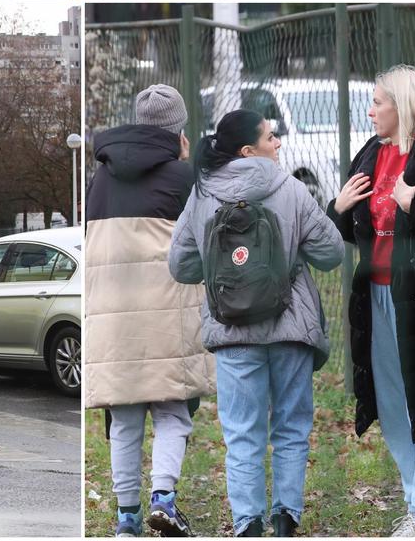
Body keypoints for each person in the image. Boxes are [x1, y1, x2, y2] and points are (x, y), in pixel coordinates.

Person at [168, 110, 343, 538]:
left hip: (232, 331)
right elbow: (331, 253)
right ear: (250, 150)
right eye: (270, 136)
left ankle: (247, 521)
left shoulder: (202, 194)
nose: (278, 142)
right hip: (290, 327)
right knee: (291, 426)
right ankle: (286, 516)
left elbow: (180, 264)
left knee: (242, 431)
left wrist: (219, 269)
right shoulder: (292, 190)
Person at [327, 67, 415, 538]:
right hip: (375, 294)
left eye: (378, 101)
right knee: (391, 400)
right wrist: (336, 209)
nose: (370, 110)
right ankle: (413, 502)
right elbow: (348, 226)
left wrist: (412, 205)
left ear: (401, 106)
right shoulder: (370, 153)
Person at [85, 85, 215, 538]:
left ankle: (126, 518)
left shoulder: (98, 180)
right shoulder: (185, 179)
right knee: (172, 413)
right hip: (167, 311)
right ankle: (164, 497)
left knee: (123, 418)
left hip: (111, 314)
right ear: (178, 129)